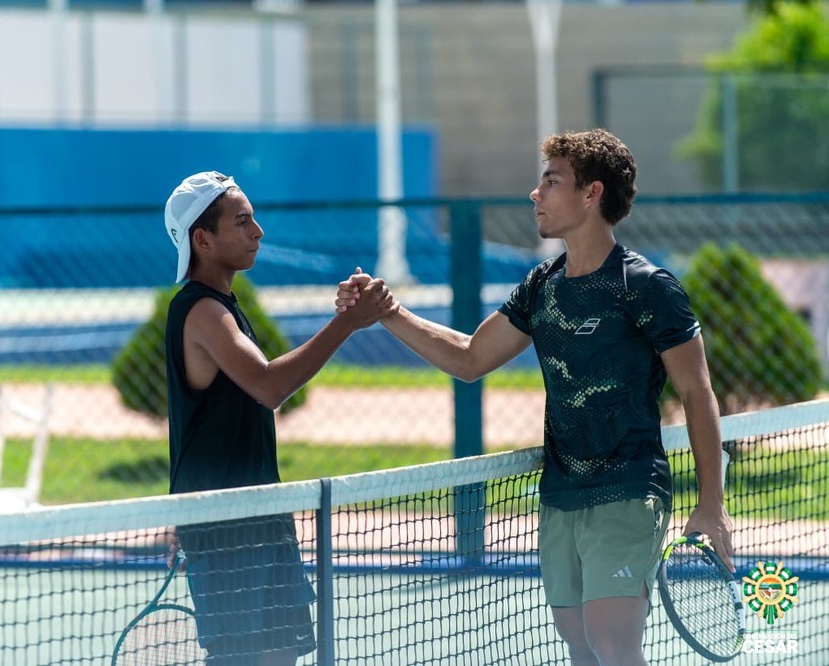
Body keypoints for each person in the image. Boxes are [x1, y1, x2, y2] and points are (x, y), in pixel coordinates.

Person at [336, 129, 734, 666]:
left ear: (591, 194)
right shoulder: (541, 285)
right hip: (560, 496)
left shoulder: (647, 286)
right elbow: (470, 357)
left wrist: (712, 505)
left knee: (613, 643)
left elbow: (697, 391)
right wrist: (390, 312)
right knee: (581, 646)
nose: (535, 193)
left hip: (628, 489)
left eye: (551, 181)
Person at [164, 170, 396, 666]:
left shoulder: (226, 306)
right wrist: (347, 323)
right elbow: (271, 387)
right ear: (202, 239)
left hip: (263, 514)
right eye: (242, 221)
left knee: (276, 657)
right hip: (225, 524)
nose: (258, 231)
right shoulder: (201, 312)